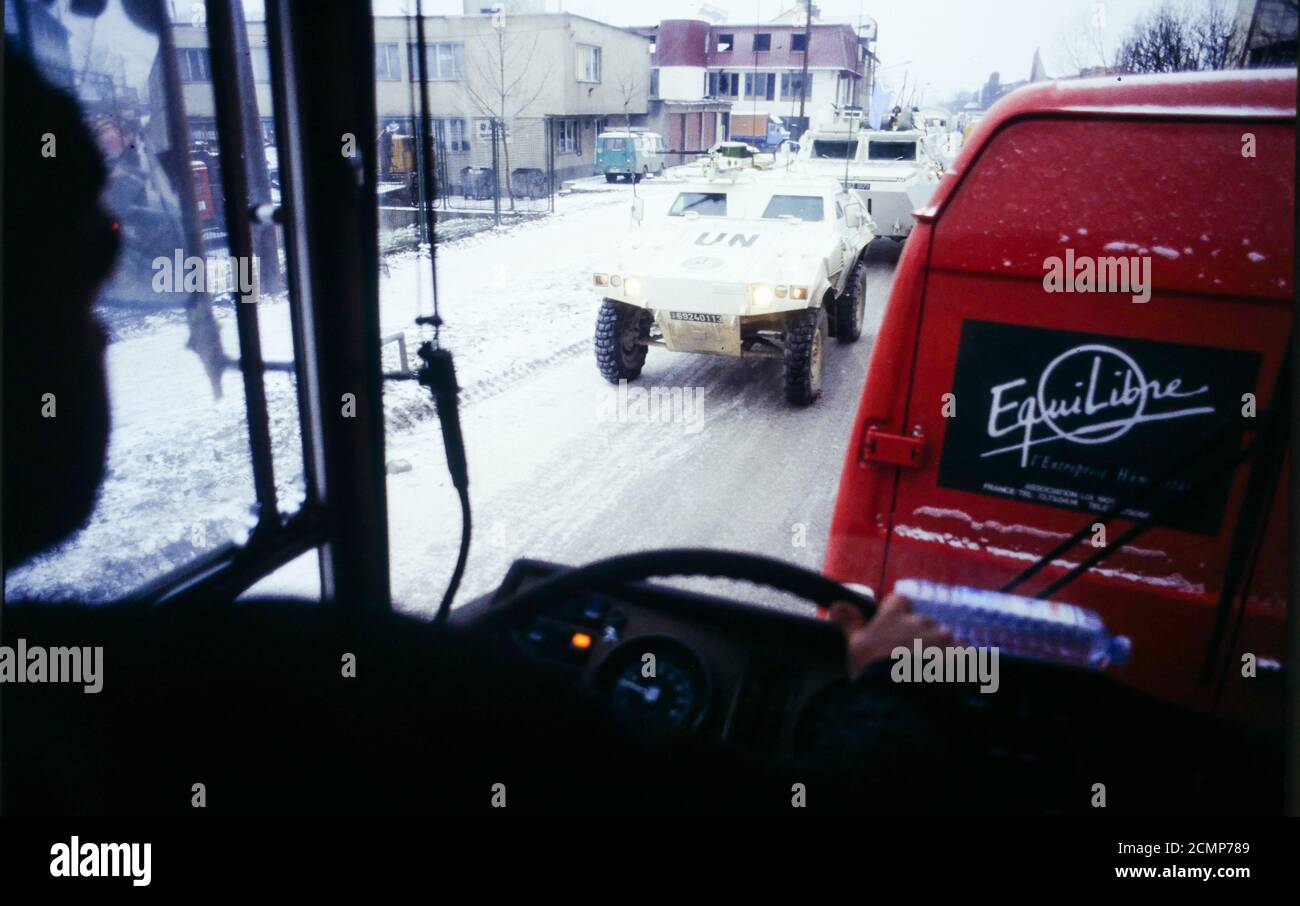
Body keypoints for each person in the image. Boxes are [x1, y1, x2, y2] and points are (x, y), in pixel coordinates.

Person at [3, 43, 962, 816]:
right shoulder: (271, 681)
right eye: (94, 252)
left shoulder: (149, 698)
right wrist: (885, 692)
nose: (98, 308)